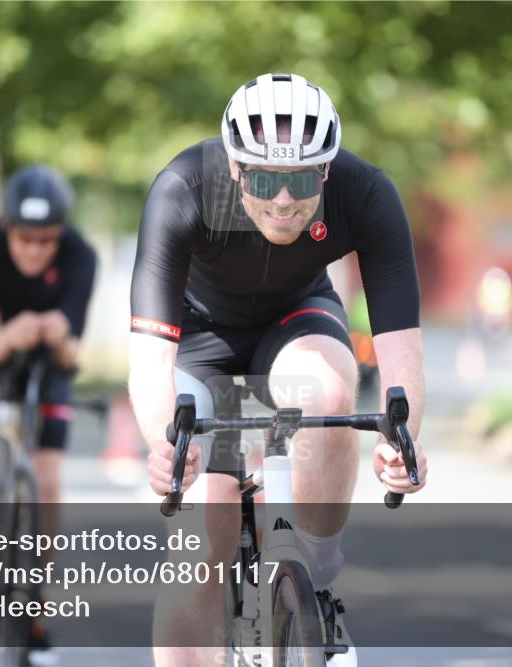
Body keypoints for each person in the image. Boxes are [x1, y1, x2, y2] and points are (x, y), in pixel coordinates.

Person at [128, 73, 429, 666]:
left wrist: (403, 440)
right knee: (198, 547)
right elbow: (149, 359)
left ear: (326, 170)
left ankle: (314, 586)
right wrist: (166, 449)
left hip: (296, 321)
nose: (284, 200)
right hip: (199, 342)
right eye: (265, 180)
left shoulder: (366, 193)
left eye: (301, 180)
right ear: (236, 168)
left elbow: (400, 349)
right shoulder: (184, 188)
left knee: (329, 393)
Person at [0, 164, 96, 653]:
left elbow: (72, 356)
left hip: (46, 364)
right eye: (25, 239)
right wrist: (13, 333)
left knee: (48, 485)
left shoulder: (81, 256)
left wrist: (58, 337)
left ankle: (35, 606)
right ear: (7, 227)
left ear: (61, 235)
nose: (35, 250)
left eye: (47, 240)